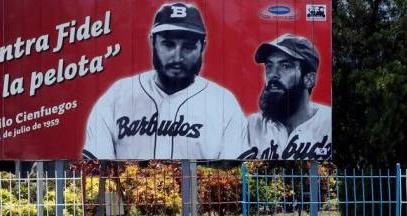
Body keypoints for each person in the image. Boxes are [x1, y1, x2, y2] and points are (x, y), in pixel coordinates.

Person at [83, 2, 247, 160]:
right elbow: (97, 169)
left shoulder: (224, 103)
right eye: (168, 45)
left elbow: (234, 172)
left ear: (202, 46)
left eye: (188, 47)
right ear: (153, 42)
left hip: (197, 189)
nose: (177, 57)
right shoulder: (118, 96)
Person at [238, 34, 332, 160]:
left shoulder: (328, 124)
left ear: (309, 79)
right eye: (269, 66)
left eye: (285, 66)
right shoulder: (253, 125)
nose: (273, 75)